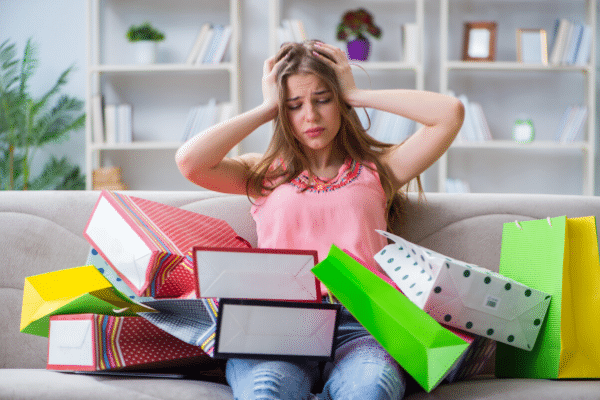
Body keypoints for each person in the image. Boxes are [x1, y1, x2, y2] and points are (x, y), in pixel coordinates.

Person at [176, 40, 464, 400]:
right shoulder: (262, 173)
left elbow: (449, 113)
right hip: (277, 324)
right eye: (294, 105)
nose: (310, 116)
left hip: (364, 325)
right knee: (266, 392)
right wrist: (268, 106)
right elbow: (190, 162)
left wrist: (356, 93)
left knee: (371, 390)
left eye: (323, 99)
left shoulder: (379, 169)